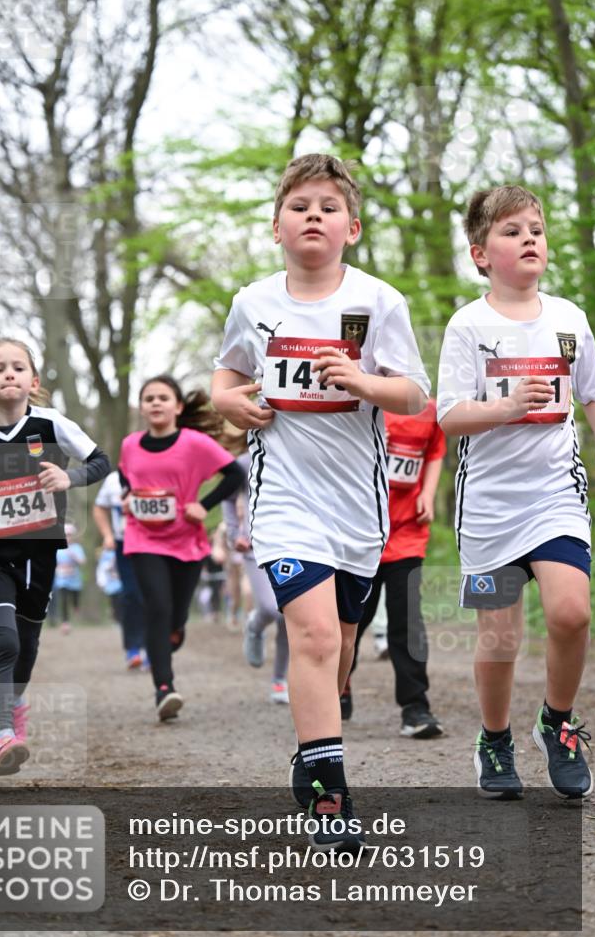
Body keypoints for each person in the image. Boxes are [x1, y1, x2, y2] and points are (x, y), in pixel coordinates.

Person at [212, 154, 430, 851]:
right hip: (283, 501)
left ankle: (313, 743)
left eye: (327, 207)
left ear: (352, 228)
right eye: (299, 205)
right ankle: (328, 792)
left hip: (357, 510)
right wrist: (224, 402)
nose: (313, 215)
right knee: (309, 636)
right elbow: (226, 377)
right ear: (276, 226)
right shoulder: (253, 303)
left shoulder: (377, 301)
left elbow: (415, 395)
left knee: (338, 648)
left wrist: (364, 384)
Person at [437, 185, 595, 800]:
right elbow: (449, 416)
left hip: (555, 492)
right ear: (481, 253)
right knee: (500, 638)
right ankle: (495, 738)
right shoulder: (468, 325)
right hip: (487, 506)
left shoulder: (569, 319)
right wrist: (504, 406)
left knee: (571, 612)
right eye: (512, 231)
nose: (529, 237)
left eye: (536, 227)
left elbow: (592, 392)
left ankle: (556, 723)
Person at [0, 338, 110, 775]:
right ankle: (2, 735)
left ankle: (14, 703)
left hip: (40, 553)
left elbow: (101, 461)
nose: (9, 374)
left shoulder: (52, 425)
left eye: (18, 367)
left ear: (33, 381)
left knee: (28, 642)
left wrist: (69, 476)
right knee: (5, 640)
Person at [118, 375, 243, 721]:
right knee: (157, 606)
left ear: (178, 406)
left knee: (175, 616)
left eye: (163, 397)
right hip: (143, 538)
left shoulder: (193, 444)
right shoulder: (130, 444)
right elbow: (124, 474)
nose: (155, 403)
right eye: (149, 398)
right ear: (142, 407)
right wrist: (128, 496)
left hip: (187, 540)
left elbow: (235, 475)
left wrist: (204, 504)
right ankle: (164, 688)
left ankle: (175, 629)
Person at [343, 399, 446, 737]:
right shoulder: (357, 402)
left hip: (406, 531)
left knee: (407, 620)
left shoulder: (428, 408)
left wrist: (428, 493)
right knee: (352, 620)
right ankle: (336, 688)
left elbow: (434, 450)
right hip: (359, 531)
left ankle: (416, 707)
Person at [222, 450, 290, 704]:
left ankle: (279, 680)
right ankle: (255, 624)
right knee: (273, 609)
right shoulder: (246, 460)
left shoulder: (303, 450)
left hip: (296, 547)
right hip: (255, 546)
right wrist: (233, 533)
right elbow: (227, 497)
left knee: (290, 616)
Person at [93, 470, 147, 669]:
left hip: (155, 544)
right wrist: (107, 535)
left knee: (153, 594)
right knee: (131, 594)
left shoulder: (156, 471)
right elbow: (99, 507)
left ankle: (153, 648)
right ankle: (133, 648)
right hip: (124, 545)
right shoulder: (113, 480)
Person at [52, 523, 85, 634]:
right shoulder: (58, 548)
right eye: (66, 535)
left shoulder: (77, 548)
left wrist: (73, 556)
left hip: (75, 580)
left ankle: (76, 607)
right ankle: (65, 623)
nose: (68, 537)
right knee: (64, 599)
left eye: (70, 535)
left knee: (75, 599)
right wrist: (60, 569)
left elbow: (82, 561)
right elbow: (53, 564)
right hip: (62, 579)